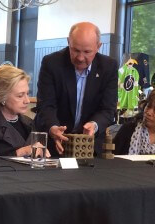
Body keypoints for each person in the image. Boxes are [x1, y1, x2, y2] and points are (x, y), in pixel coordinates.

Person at [35, 22, 118, 157]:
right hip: (54, 145)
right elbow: (46, 105)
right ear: (68, 42)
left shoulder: (108, 67)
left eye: (87, 52)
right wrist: (53, 128)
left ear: (98, 47)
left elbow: (108, 109)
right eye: (75, 50)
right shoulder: (51, 63)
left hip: (90, 147)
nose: (80, 58)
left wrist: (94, 125)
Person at [0, 65, 50, 158]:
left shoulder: (30, 123)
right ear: (1, 97)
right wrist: (21, 152)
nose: (27, 101)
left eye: (27, 94)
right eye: (20, 96)